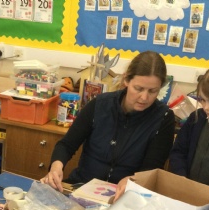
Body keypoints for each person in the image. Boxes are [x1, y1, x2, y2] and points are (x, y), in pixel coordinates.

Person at [41, 51, 175, 201]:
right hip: (81, 187)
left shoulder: (163, 118)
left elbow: (151, 171)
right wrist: (56, 167)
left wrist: (132, 180)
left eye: (153, 91)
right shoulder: (100, 104)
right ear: (126, 80)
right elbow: (66, 145)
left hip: (125, 198)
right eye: (138, 89)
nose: (144, 97)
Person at [169, 62, 209, 190]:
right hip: (186, 190)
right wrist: (180, 175)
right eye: (202, 100)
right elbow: (178, 151)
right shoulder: (196, 118)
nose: (206, 107)